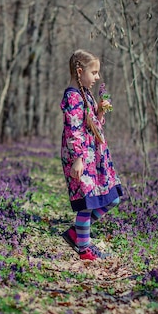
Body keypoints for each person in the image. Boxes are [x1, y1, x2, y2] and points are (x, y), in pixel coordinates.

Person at [60, 49, 123, 261]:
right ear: (80, 71)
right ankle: (84, 249)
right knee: (88, 203)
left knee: (111, 198)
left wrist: (100, 112)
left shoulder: (85, 94)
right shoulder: (73, 96)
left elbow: (92, 125)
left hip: (94, 156)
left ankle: (75, 233)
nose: (98, 77)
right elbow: (73, 129)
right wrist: (77, 158)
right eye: (94, 72)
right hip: (81, 157)